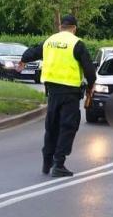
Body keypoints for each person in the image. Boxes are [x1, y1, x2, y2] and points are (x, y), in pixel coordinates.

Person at [20, 14, 96, 177]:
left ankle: (46, 163)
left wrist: (23, 59)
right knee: (67, 127)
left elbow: (31, 52)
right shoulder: (77, 44)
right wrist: (91, 85)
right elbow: (89, 69)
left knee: (52, 126)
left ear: (61, 27)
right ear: (74, 28)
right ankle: (59, 164)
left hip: (52, 92)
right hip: (70, 93)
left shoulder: (49, 41)